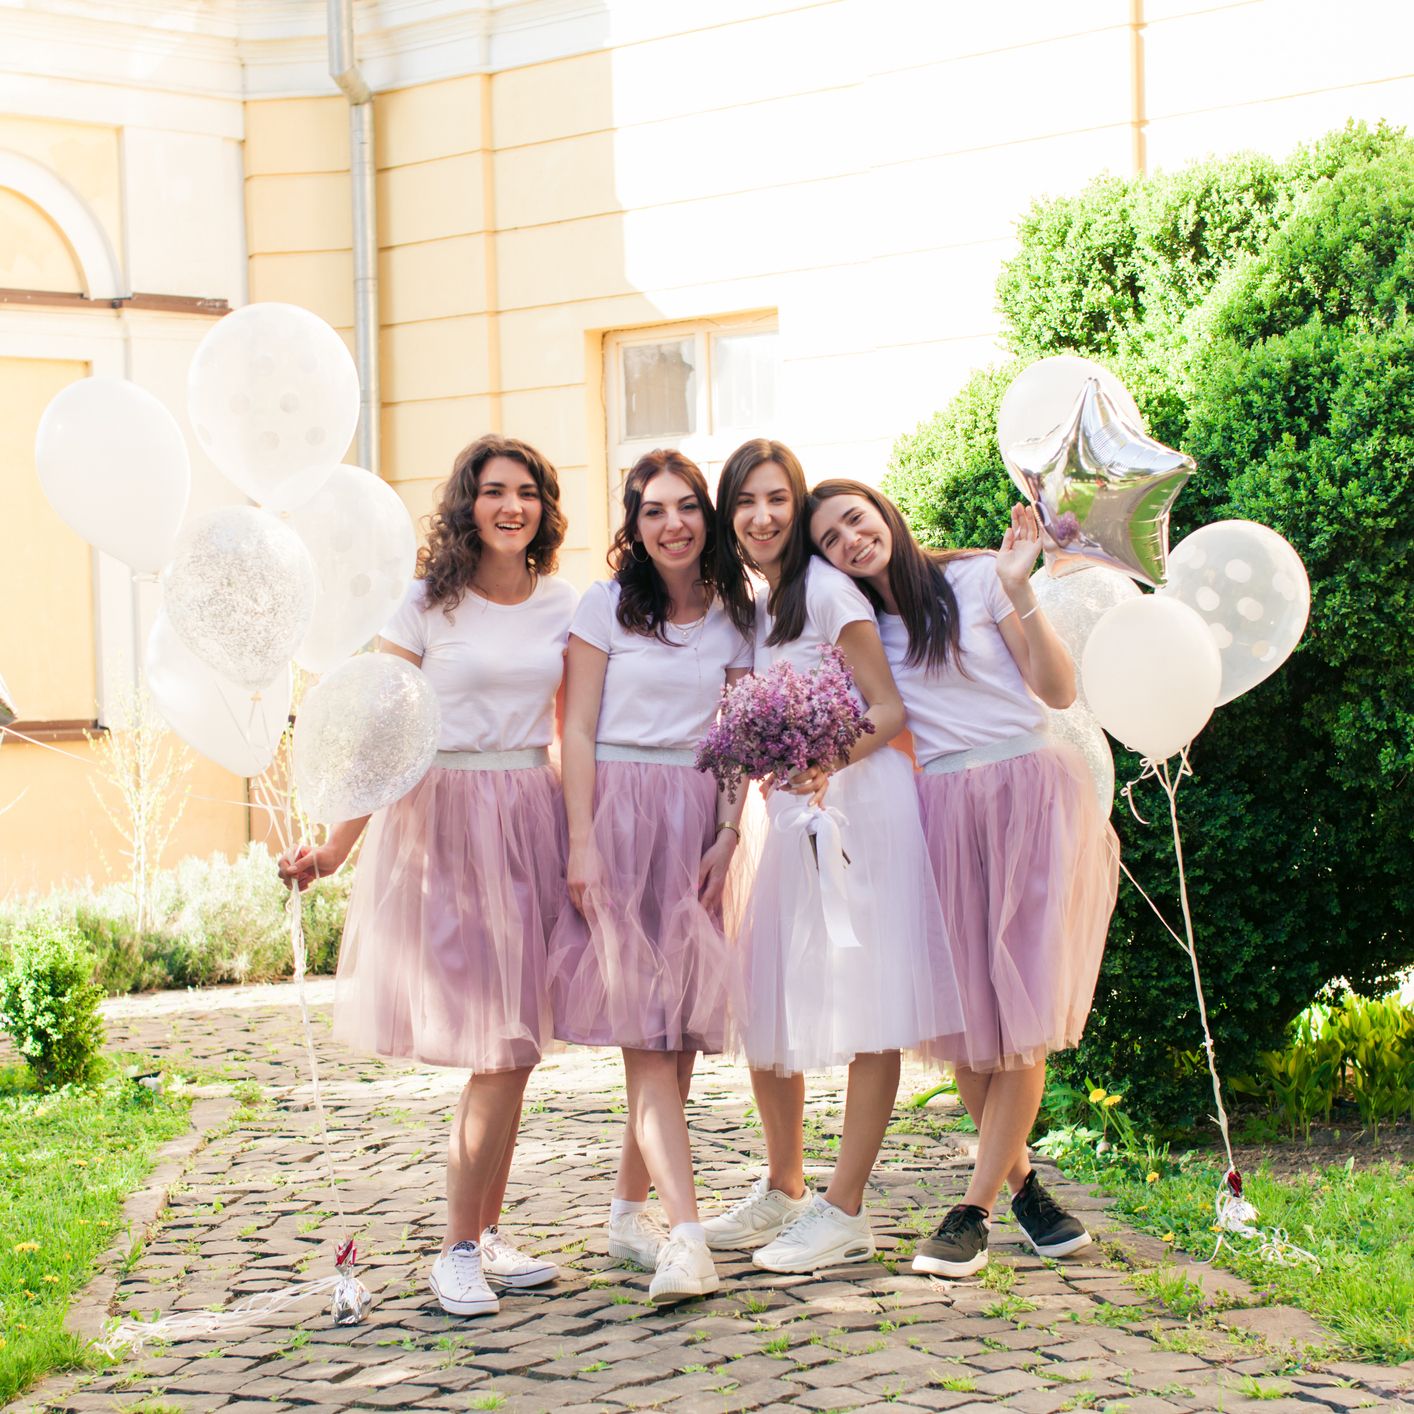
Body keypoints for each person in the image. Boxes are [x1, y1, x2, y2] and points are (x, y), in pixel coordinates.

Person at [279, 434, 576, 1316]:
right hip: (446, 823)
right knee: (495, 1044)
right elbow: (382, 729)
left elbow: (587, 718)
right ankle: (452, 1249)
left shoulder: (565, 604)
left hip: (533, 814)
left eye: (526, 491)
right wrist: (334, 848)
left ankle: (484, 1236)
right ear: (467, 505)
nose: (510, 506)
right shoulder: (423, 605)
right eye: (493, 491)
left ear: (544, 508)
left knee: (518, 1049)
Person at [808, 481, 1120, 1277]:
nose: (849, 539)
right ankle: (1027, 1195)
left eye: (855, 518)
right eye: (830, 538)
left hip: (1026, 793)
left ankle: (971, 1211)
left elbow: (1057, 691)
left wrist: (1021, 591)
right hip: (941, 810)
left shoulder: (980, 577)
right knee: (973, 1019)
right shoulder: (863, 627)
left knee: (1021, 1006)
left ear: (886, 512)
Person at [701, 438, 960, 1274]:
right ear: (729, 517)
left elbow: (887, 709)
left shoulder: (825, 587)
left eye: (778, 498)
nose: (763, 515)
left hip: (857, 809)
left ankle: (844, 1208)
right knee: (776, 997)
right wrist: (736, 826)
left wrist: (824, 763)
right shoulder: (755, 603)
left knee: (866, 994)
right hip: (792, 818)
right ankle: (783, 1187)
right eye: (746, 501)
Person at [547, 448, 752, 1303]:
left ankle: (630, 1211)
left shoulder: (737, 614)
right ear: (633, 527)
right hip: (620, 813)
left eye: (686, 507)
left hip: (697, 817)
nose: (672, 524)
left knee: (681, 1037)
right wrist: (583, 842)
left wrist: (732, 830)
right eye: (653, 510)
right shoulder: (606, 609)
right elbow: (580, 727)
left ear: (706, 517)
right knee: (646, 1036)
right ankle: (689, 1239)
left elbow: (740, 734)